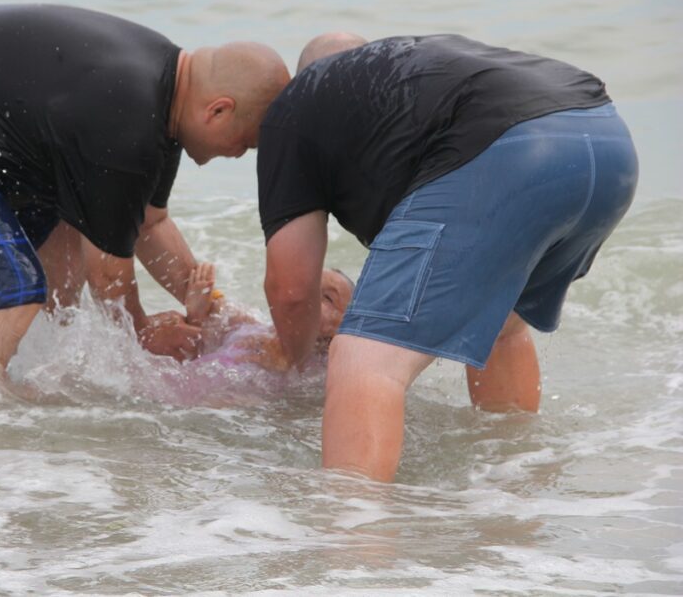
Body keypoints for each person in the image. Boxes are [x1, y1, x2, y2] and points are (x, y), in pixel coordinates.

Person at [0, 4, 290, 404]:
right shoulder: (130, 119)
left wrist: (218, 312)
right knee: (12, 291)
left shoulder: (165, 97)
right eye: (246, 143)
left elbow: (150, 225)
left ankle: (29, 378)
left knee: (64, 242)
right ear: (218, 110)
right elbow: (110, 268)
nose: (239, 154)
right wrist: (141, 330)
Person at [258, 32, 638, 481]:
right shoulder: (410, 79)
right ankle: (512, 495)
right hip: (607, 142)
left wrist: (295, 372)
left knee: (363, 360)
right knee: (502, 325)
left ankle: (352, 540)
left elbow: (291, 289)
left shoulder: (300, 101)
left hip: (516, 150)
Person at [183, 262, 354, 372]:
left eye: (328, 298)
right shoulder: (253, 327)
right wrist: (197, 314)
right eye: (307, 287)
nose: (309, 296)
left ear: (341, 328)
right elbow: (217, 319)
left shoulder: (325, 370)